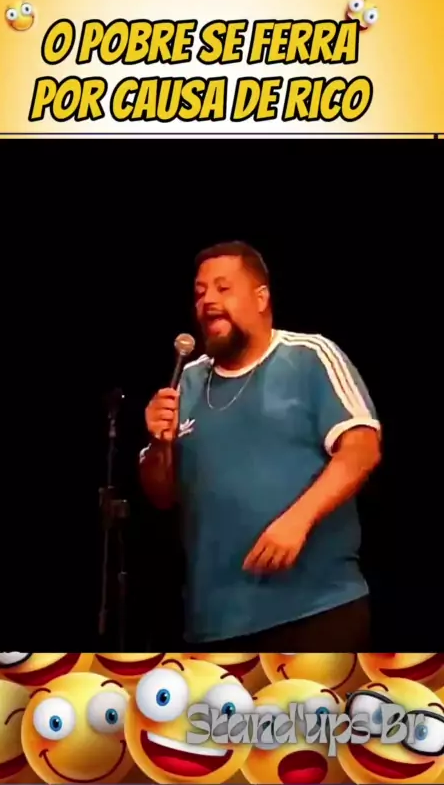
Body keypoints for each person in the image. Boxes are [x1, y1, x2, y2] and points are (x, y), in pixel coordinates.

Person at [139, 241, 381, 650]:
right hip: (215, 625)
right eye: (200, 292)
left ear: (261, 297)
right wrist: (158, 445)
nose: (208, 301)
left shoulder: (308, 356)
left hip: (314, 610)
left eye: (223, 288)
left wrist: (297, 520)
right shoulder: (186, 382)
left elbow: (362, 448)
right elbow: (162, 496)